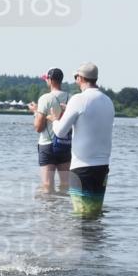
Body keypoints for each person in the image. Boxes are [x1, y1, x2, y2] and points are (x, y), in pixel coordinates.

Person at [51, 62, 115, 217]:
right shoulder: (108, 101)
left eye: (75, 77)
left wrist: (54, 119)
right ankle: (97, 242)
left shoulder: (78, 99)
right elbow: (91, 121)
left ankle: (84, 242)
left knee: (81, 216)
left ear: (80, 78)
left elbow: (60, 132)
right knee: (95, 214)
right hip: (102, 167)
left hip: (82, 168)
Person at [27, 68, 70, 191]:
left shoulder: (45, 98)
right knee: (66, 184)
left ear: (50, 80)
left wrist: (35, 112)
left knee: (47, 185)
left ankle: (49, 209)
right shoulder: (71, 98)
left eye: (46, 79)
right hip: (65, 144)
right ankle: (63, 208)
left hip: (47, 145)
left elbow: (38, 128)